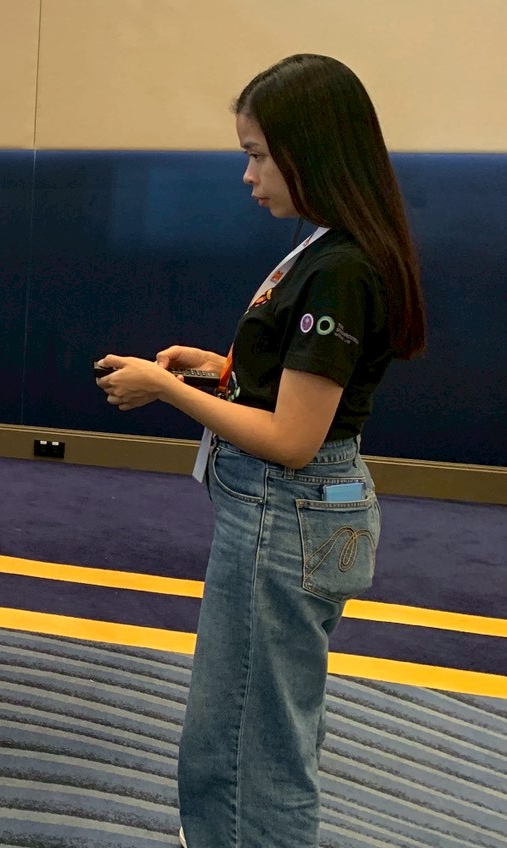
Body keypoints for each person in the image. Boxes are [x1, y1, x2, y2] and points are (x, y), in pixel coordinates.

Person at [95, 54, 425, 847]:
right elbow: (302, 389)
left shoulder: (339, 269)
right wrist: (220, 368)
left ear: (309, 153)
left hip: (287, 516)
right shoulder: (333, 249)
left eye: (257, 156)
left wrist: (167, 389)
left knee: (250, 739)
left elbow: (292, 439)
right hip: (302, 514)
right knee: (251, 724)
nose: (248, 176)